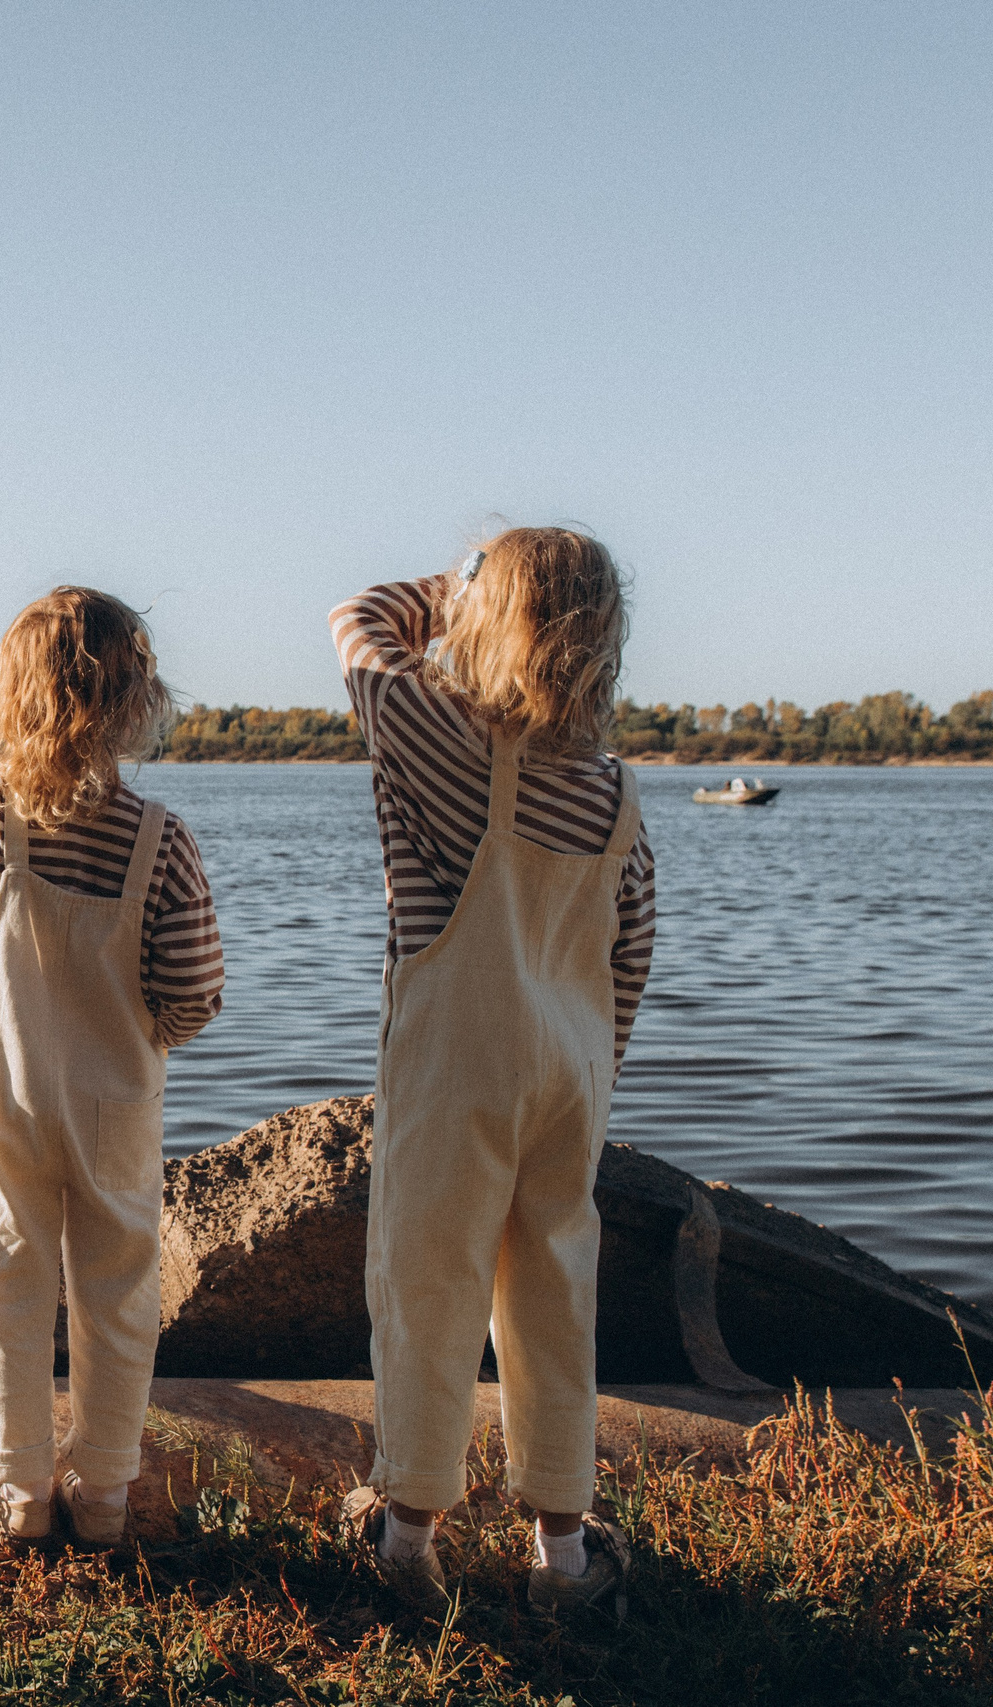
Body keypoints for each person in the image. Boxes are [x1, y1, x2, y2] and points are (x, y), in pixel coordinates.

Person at [329, 528, 657, 1617]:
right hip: (570, 1071)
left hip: (456, 1063)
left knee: (429, 1285)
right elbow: (629, 952)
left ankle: (405, 1536)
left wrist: (445, 591)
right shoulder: (612, 795)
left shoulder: (452, 745)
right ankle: (561, 1558)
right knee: (555, 1298)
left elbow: (357, 631)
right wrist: (590, 1072)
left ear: (491, 623)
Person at [0, 587, 225, 1549]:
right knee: (119, 1295)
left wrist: (16, 659)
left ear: (13, 697)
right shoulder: (159, 840)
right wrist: (140, 1031)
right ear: (134, 705)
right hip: (111, 1096)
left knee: (3, 1286)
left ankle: (18, 1498)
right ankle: (102, 1502)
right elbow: (195, 992)